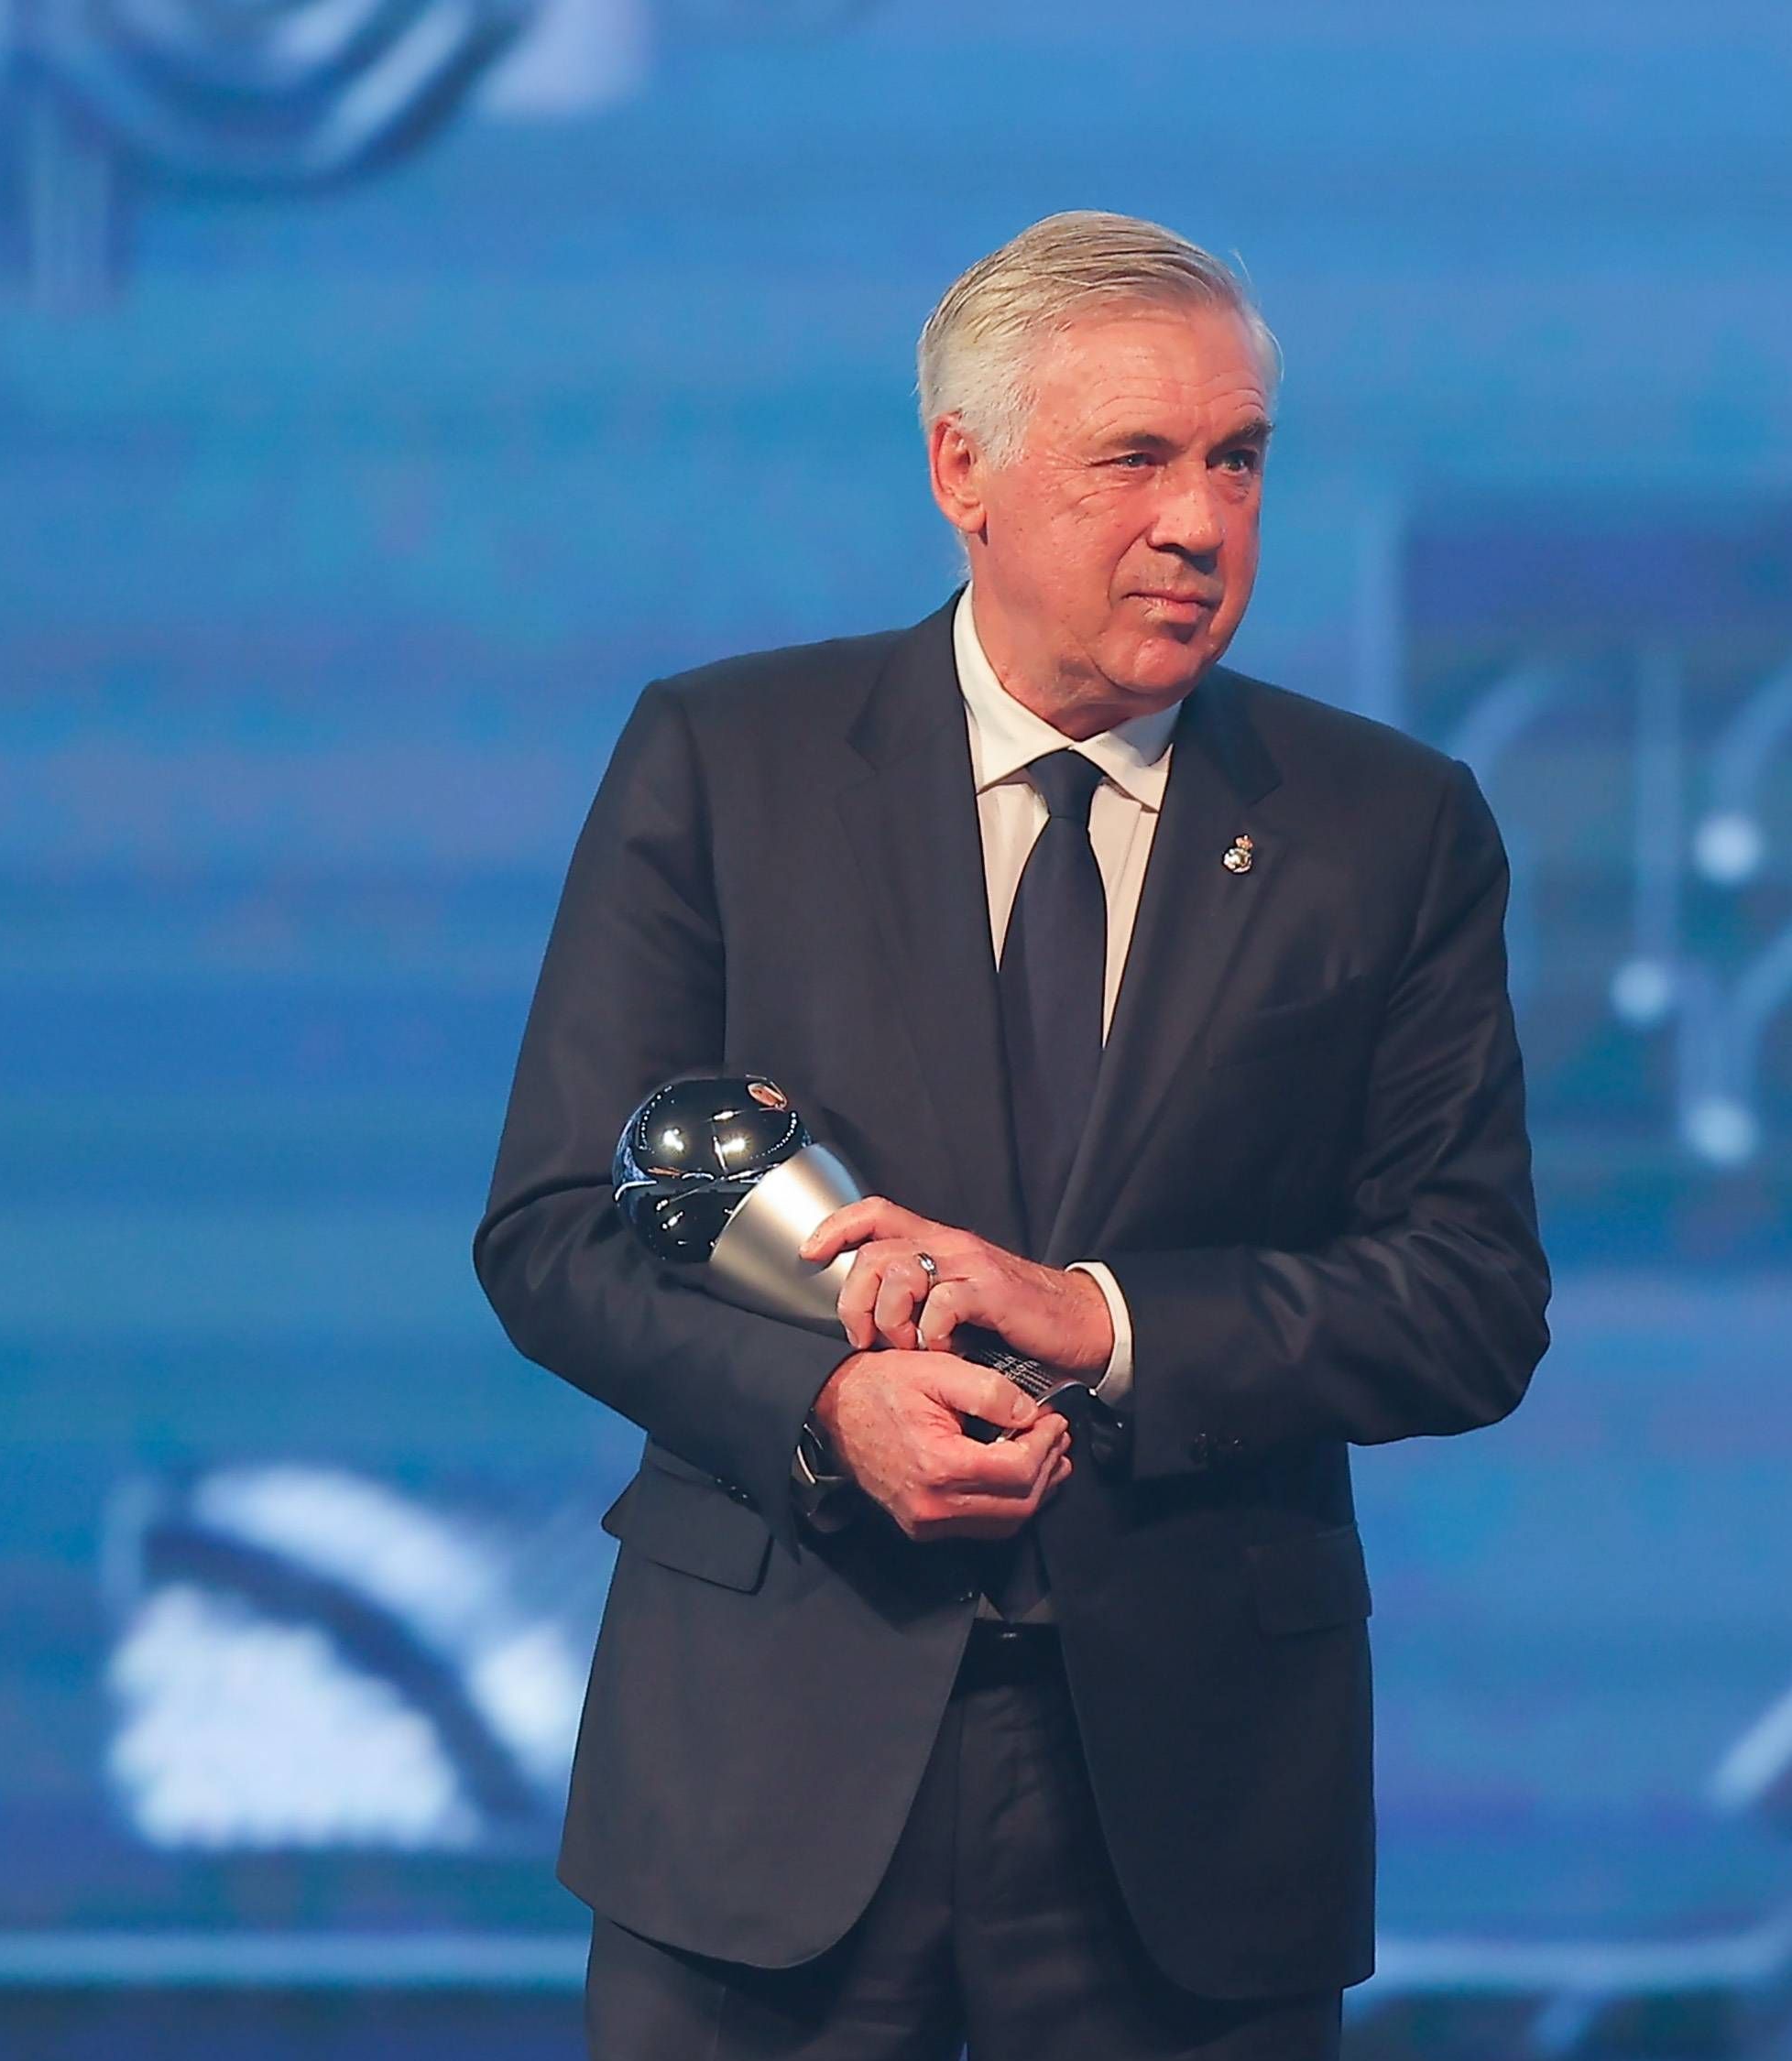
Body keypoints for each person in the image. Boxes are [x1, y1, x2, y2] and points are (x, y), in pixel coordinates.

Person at [476, 210, 1550, 2061]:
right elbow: (560, 1225)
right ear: (959, 471)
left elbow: (1467, 1299)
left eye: (1237, 460)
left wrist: (1104, 1321)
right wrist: (824, 1407)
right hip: (765, 1784)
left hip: (1193, 1813)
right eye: (1135, 457)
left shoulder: (1385, 828)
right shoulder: (728, 762)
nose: (1200, 522)